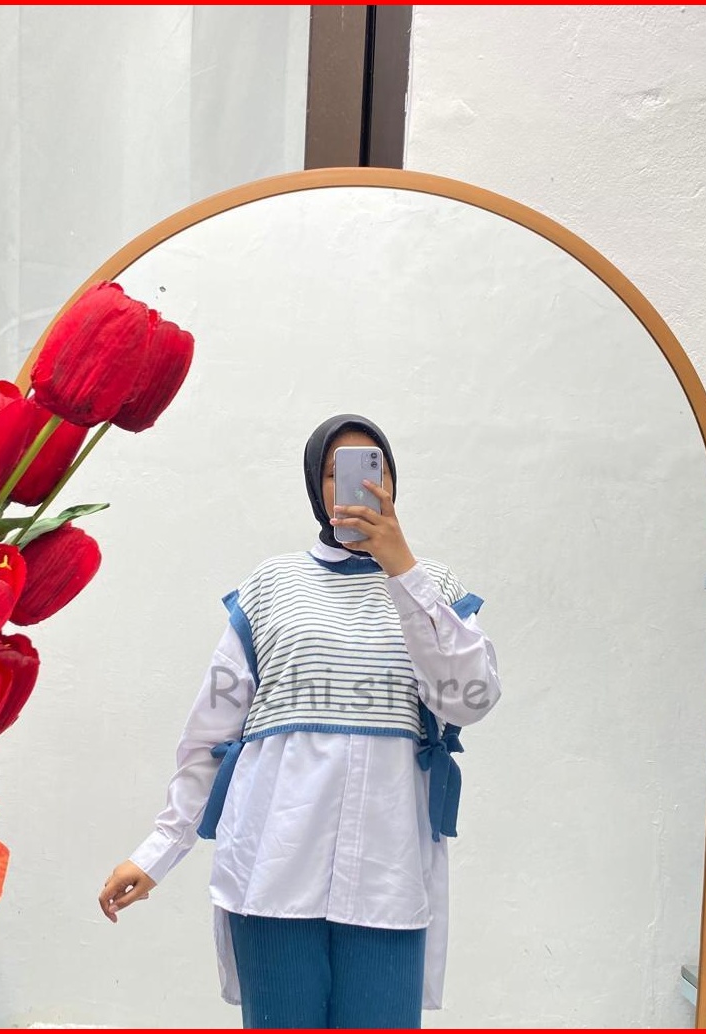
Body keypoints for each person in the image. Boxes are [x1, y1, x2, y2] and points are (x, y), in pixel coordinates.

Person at [98, 414, 501, 1029]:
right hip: (271, 873)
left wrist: (404, 570)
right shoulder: (271, 586)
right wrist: (157, 853)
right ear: (317, 485)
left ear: (391, 479)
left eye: (372, 467)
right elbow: (210, 737)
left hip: (388, 878)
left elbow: (469, 698)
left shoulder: (434, 586)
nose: (356, 484)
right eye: (336, 471)